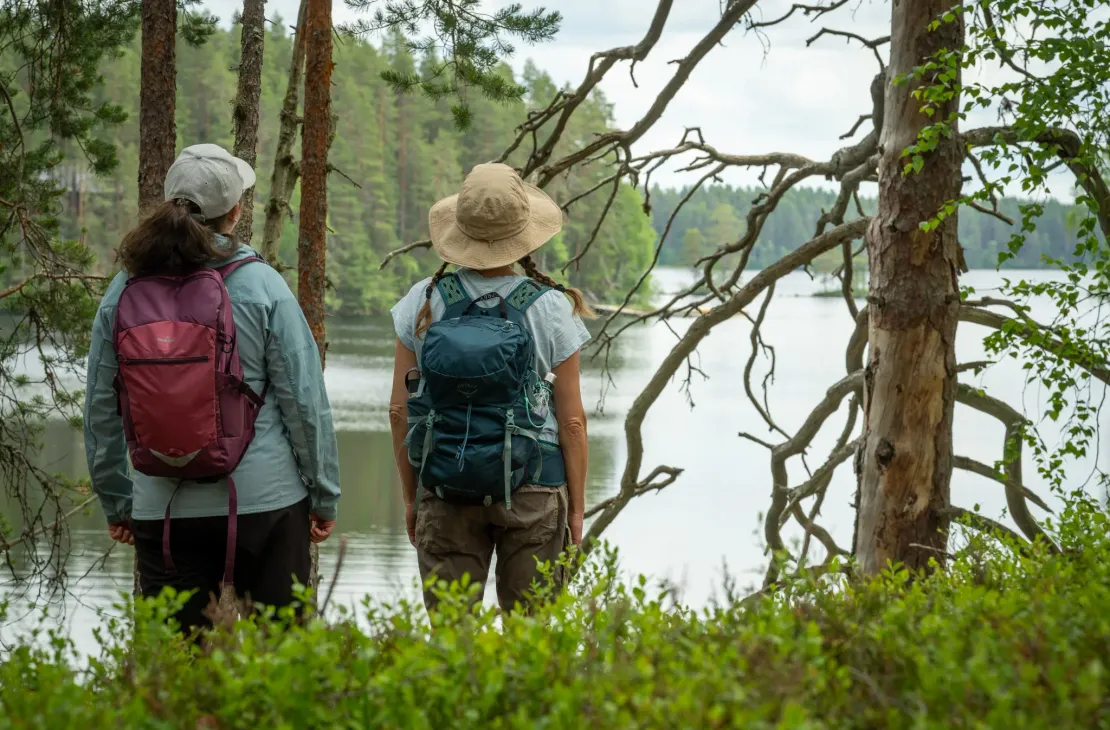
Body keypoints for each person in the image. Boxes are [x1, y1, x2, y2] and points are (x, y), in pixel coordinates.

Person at [84, 143, 340, 635]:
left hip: (163, 507)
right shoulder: (263, 285)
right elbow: (305, 402)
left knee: (178, 667)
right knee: (283, 656)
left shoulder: (123, 290)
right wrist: (323, 494)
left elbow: (100, 407)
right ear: (237, 210)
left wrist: (118, 502)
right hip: (265, 504)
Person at [388, 162, 591, 614]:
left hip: (445, 485)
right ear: (524, 232)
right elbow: (572, 422)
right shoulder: (552, 308)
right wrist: (576, 509)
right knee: (528, 639)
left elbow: (400, 413)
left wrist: (411, 496)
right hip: (535, 488)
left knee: (451, 643)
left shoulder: (422, 300)